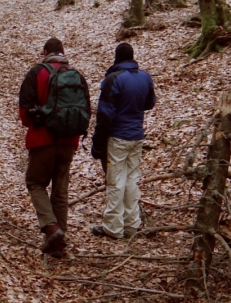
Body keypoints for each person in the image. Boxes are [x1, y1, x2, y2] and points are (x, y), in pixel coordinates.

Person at [18, 38, 91, 258]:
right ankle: (58, 244)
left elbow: (24, 112)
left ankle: (51, 227)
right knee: (60, 191)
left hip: (43, 139)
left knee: (35, 182)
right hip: (69, 140)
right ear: (63, 52)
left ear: (45, 52)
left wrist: (36, 121)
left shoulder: (37, 73)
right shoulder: (76, 76)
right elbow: (86, 108)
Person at [91, 43, 156, 239]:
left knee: (116, 181)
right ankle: (131, 225)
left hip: (118, 137)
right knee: (131, 179)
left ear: (116, 58)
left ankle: (113, 227)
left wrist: (97, 143)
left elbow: (104, 114)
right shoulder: (145, 77)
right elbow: (150, 103)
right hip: (137, 136)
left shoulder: (113, 79)